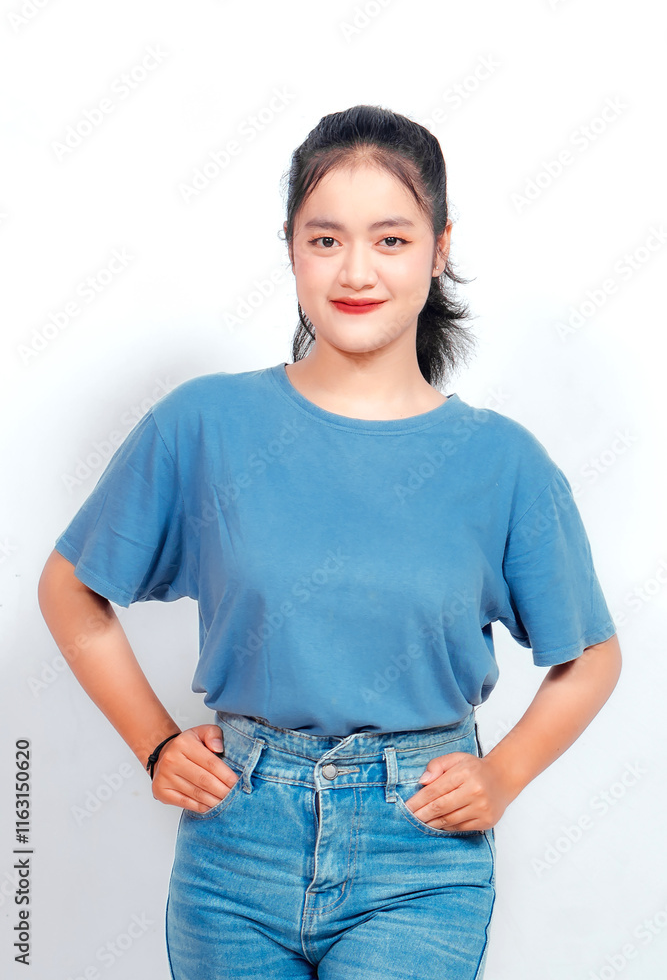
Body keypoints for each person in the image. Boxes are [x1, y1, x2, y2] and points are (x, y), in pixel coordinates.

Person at [38, 105, 621, 980]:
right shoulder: (205, 424)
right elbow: (69, 589)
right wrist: (155, 744)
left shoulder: (502, 462)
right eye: (325, 240)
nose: (355, 272)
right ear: (290, 248)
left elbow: (592, 656)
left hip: (418, 857)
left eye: (390, 239)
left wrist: (500, 776)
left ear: (440, 245)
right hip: (236, 848)